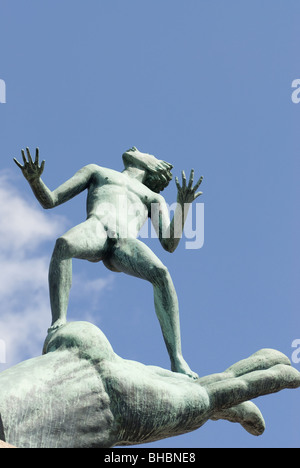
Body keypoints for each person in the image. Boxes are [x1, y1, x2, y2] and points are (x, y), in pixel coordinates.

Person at [14, 146, 203, 378]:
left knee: (162, 273)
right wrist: (35, 181)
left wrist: (183, 206)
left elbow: (169, 243)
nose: (134, 149)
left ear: (154, 166)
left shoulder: (153, 197)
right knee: (64, 244)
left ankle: (177, 359)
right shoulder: (97, 171)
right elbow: (51, 200)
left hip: (124, 241)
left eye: (142, 151)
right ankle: (59, 320)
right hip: (97, 227)